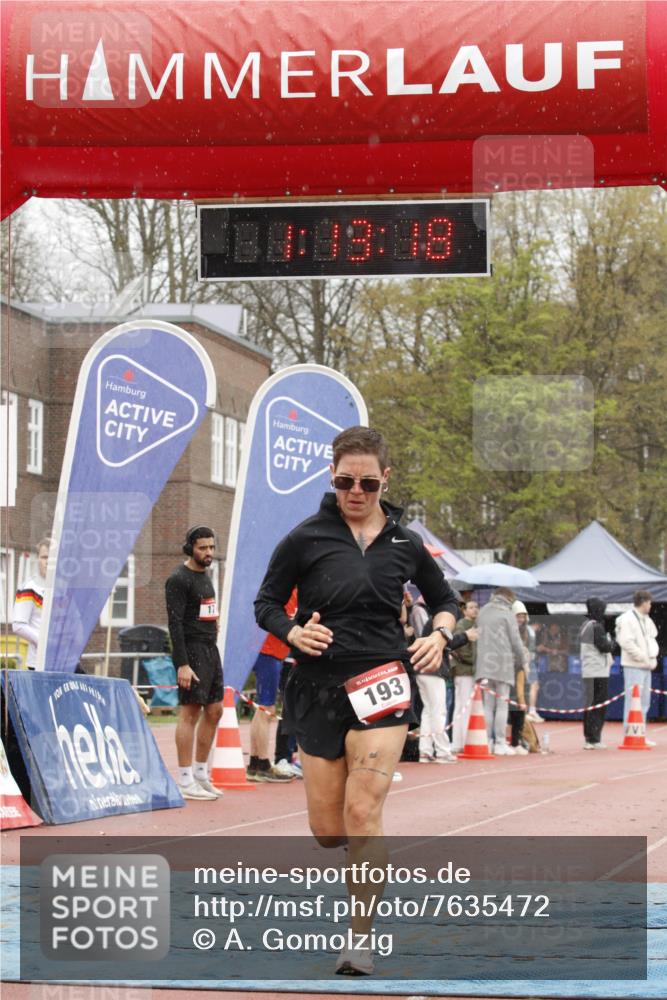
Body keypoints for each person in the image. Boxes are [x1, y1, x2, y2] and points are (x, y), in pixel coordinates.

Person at [254, 426, 458, 975]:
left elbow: (445, 600)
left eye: (368, 482)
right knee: (329, 831)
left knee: (364, 810)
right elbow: (266, 603)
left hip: (383, 685)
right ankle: (354, 860)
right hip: (318, 689)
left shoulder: (404, 543)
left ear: (385, 479)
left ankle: (359, 939)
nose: (356, 492)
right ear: (332, 476)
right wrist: (293, 632)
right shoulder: (305, 537)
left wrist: (439, 635)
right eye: (346, 481)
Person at [165, 526, 224, 801]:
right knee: (189, 713)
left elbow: (204, 610)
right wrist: (182, 664)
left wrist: (215, 622)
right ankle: (185, 779)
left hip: (211, 650)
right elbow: (174, 624)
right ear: (190, 547)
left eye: (211, 547)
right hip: (192, 652)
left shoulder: (206, 576)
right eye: (203, 547)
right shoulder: (178, 579)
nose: (208, 552)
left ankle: (201, 774)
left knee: (215, 711)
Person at [247, 590, 298, 783]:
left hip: (275, 653)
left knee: (264, 708)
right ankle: (262, 764)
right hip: (268, 652)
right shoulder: (287, 588)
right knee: (265, 708)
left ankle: (255, 764)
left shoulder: (297, 590)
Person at [474, 587, 525, 755]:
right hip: (502, 664)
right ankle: (501, 743)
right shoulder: (507, 613)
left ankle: (487, 741)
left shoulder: (483, 611)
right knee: (502, 705)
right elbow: (516, 640)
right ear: (508, 599)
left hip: (484, 664)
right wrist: (523, 660)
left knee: (488, 705)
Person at [409, 597, 458, 764]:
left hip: (422, 669)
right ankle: (443, 752)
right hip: (433, 669)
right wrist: (467, 636)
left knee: (429, 711)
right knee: (438, 711)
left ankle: (425, 751)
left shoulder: (430, 622)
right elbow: (451, 641)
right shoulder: (439, 624)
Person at [616, 590, 659, 743]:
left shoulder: (646, 620)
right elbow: (626, 642)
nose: (651, 605)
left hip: (646, 666)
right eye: (649, 602)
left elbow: (652, 638)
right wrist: (642, 657)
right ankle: (630, 733)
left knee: (644, 701)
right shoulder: (628, 619)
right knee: (633, 700)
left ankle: (640, 732)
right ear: (644, 602)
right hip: (634, 665)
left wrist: (652, 658)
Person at [579, 598, 614, 750]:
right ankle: (594, 738)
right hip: (598, 670)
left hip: (588, 670)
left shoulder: (584, 625)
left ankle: (589, 737)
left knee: (590, 704)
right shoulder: (596, 627)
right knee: (598, 705)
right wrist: (613, 642)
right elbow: (605, 647)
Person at [12, 538, 50, 669]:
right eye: (45, 557)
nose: (48, 562)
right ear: (37, 559)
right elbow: (18, 625)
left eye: (53, 557)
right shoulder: (30, 587)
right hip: (38, 663)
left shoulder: (63, 589)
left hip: (62, 662)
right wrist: (43, 641)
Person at [450, 599, 479, 753]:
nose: (475, 610)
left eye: (476, 607)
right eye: (471, 607)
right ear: (464, 610)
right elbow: (460, 650)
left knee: (466, 706)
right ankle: (458, 742)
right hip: (463, 671)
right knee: (462, 706)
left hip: (471, 671)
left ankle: (464, 740)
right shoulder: (461, 626)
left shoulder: (476, 626)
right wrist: (476, 660)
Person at [509, 601, 532, 755]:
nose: (521, 619)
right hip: (511, 670)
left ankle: (516, 740)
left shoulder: (526, 632)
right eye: (518, 615)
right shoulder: (509, 631)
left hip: (522, 669)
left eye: (523, 616)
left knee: (520, 707)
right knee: (515, 706)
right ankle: (513, 741)